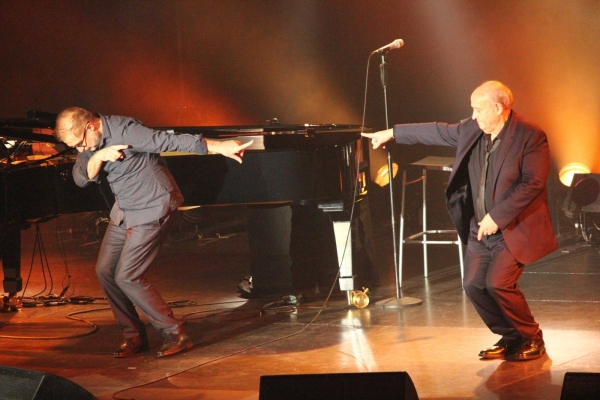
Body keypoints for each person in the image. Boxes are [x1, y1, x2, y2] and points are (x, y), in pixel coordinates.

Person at [362, 81, 558, 361]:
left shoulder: (530, 136)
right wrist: (392, 133)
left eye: (479, 109)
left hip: (512, 228)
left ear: (498, 108)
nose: (474, 115)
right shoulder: (472, 130)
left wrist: (498, 216)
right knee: (474, 285)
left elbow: (533, 182)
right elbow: (437, 130)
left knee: (499, 284)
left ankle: (531, 337)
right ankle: (511, 335)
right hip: (479, 228)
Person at [54, 107, 252, 358]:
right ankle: (133, 335)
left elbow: (169, 140)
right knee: (105, 271)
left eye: (81, 144)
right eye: (75, 147)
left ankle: (176, 334)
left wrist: (219, 147)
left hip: (152, 206)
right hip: (125, 210)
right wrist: (100, 154)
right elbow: (81, 178)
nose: (80, 150)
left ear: (91, 126)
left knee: (128, 276)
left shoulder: (127, 131)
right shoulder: (89, 144)